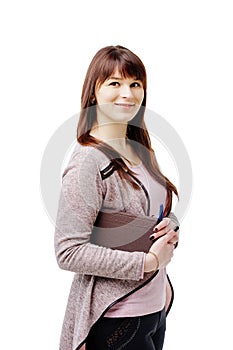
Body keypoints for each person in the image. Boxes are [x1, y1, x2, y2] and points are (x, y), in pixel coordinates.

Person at [55, 45, 179, 350]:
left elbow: (150, 212)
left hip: (154, 307)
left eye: (135, 84)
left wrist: (170, 226)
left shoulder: (139, 150)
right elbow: (68, 251)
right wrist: (147, 261)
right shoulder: (88, 161)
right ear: (94, 92)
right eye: (115, 83)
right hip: (118, 317)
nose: (128, 93)